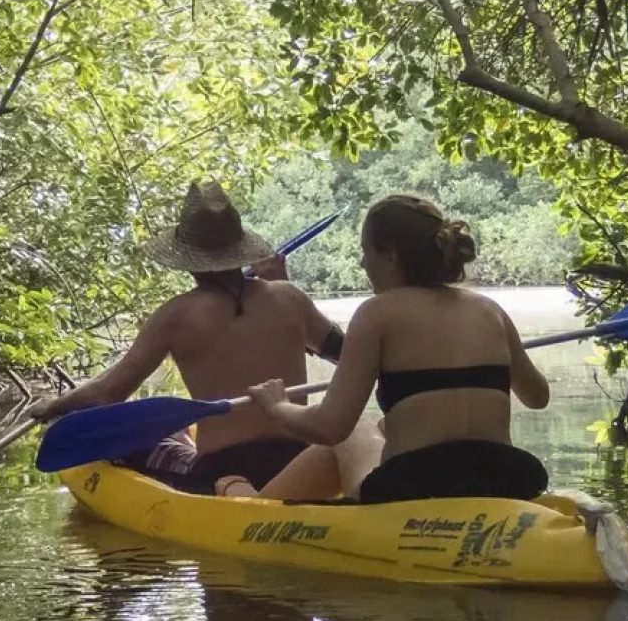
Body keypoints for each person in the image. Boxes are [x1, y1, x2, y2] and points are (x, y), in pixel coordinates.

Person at [219, 193, 550, 503]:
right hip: (506, 477)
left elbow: (329, 426)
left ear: (390, 255)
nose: (363, 264)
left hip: (415, 488)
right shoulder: (489, 310)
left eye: (366, 252)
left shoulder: (376, 313)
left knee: (355, 433)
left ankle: (255, 509)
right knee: (384, 428)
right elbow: (537, 397)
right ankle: (263, 504)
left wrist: (277, 406)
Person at [29, 179, 345, 493]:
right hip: (296, 460)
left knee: (136, 443)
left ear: (187, 259)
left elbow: (107, 395)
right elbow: (343, 352)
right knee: (178, 430)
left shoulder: (175, 315)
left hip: (220, 470)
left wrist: (56, 406)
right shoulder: (290, 297)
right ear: (240, 252)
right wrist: (283, 285)